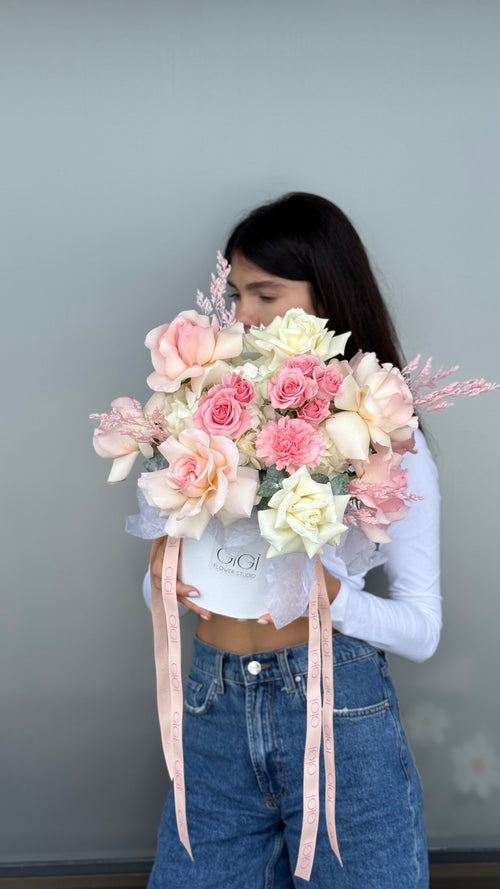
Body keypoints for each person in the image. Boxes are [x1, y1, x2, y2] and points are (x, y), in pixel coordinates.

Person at [144, 192, 441, 889]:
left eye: (265, 293)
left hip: (340, 717)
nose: (242, 314)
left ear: (324, 294)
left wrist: (331, 599)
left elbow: (423, 629)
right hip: (210, 710)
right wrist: (163, 573)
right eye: (239, 292)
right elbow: (185, 558)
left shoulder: (388, 437)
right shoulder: (206, 414)